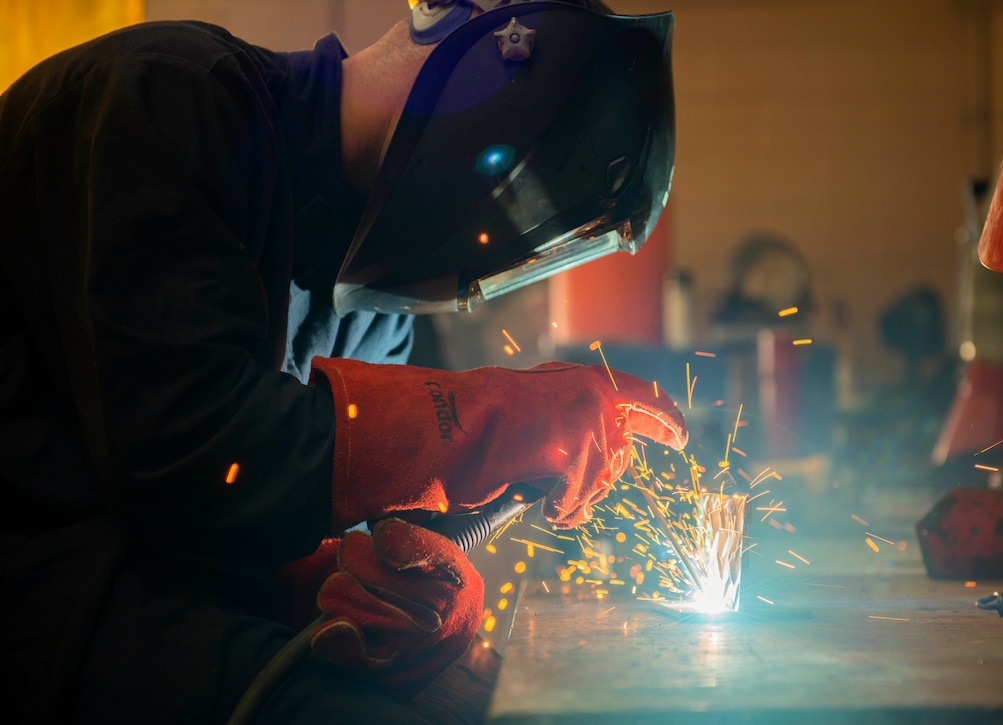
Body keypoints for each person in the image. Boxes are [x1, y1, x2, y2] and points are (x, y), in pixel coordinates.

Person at [0, 1, 683, 722]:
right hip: (46, 592)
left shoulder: (376, 310)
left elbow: (273, 510)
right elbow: (188, 446)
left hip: (170, 603)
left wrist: (351, 581)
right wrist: (485, 418)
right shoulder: (166, 99)